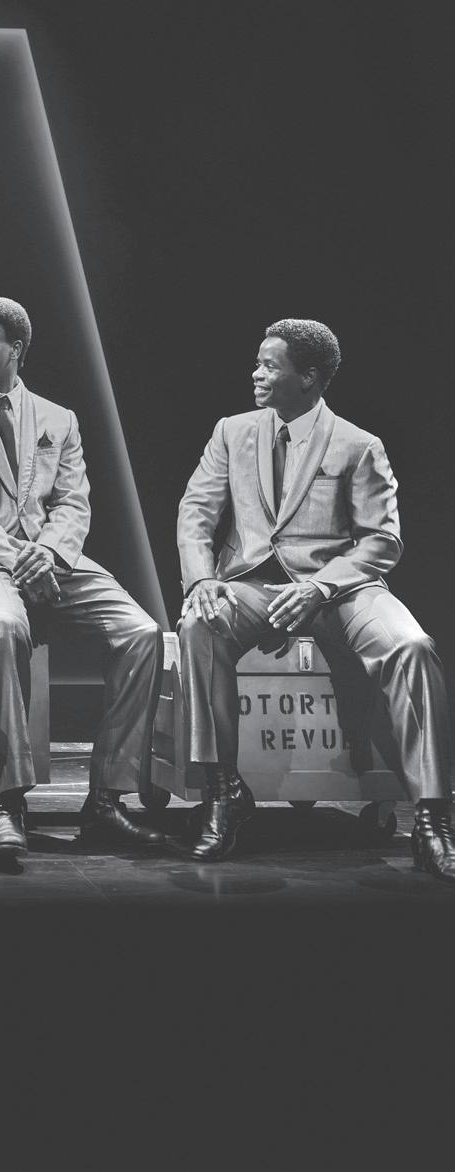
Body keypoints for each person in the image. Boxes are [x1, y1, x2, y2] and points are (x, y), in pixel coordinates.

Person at [177, 318, 454, 877]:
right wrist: (202, 579)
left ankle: (432, 818)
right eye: (257, 363)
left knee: (411, 646)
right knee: (199, 624)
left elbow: (383, 539)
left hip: (341, 589)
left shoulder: (359, 444)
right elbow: (196, 512)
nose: (256, 374)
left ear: (307, 377)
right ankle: (224, 792)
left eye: (269, 365)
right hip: (255, 586)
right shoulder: (231, 431)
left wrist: (321, 585)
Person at [0, 296, 163, 863]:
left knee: (142, 633)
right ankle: (5, 802)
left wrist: (47, 552)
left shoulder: (58, 418)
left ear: (16, 348)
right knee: (2, 625)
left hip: (50, 557)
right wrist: (20, 557)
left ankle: (106, 800)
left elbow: (73, 502)